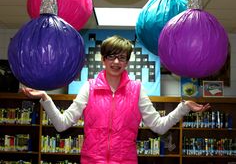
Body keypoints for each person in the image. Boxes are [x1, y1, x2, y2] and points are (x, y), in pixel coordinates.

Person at [22, 35, 210, 164]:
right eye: (111, 56)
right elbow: (62, 124)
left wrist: (183, 107)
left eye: (122, 58)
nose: (116, 62)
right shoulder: (89, 87)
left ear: (127, 62)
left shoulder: (137, 90)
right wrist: (45, 98)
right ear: (103, 59)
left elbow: (158, 126)